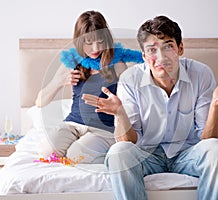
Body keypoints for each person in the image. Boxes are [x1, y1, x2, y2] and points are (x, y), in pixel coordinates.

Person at [82, 15, 218, 199]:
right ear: (144, 56)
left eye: (168, 46)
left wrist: (216, 106)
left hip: (188, 154)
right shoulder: (130, 79)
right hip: (146, 155)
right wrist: (120, 114)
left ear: (180, 49)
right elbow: (128, 141)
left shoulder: (201, 74)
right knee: (118, 152)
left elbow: (209, 138)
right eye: (152, 50)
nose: (161, 57)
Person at [35, 10, 143, 164]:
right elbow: (39, 102)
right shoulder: (72, 61)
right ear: (79, 41)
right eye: (89, 42)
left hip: (102, 129)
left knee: (76, 156)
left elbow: (129, 100)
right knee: (46, 152)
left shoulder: (117, 64)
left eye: (100, 41)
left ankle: (97, 151)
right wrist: (59, 81)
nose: (95, 48)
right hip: (73, 123)